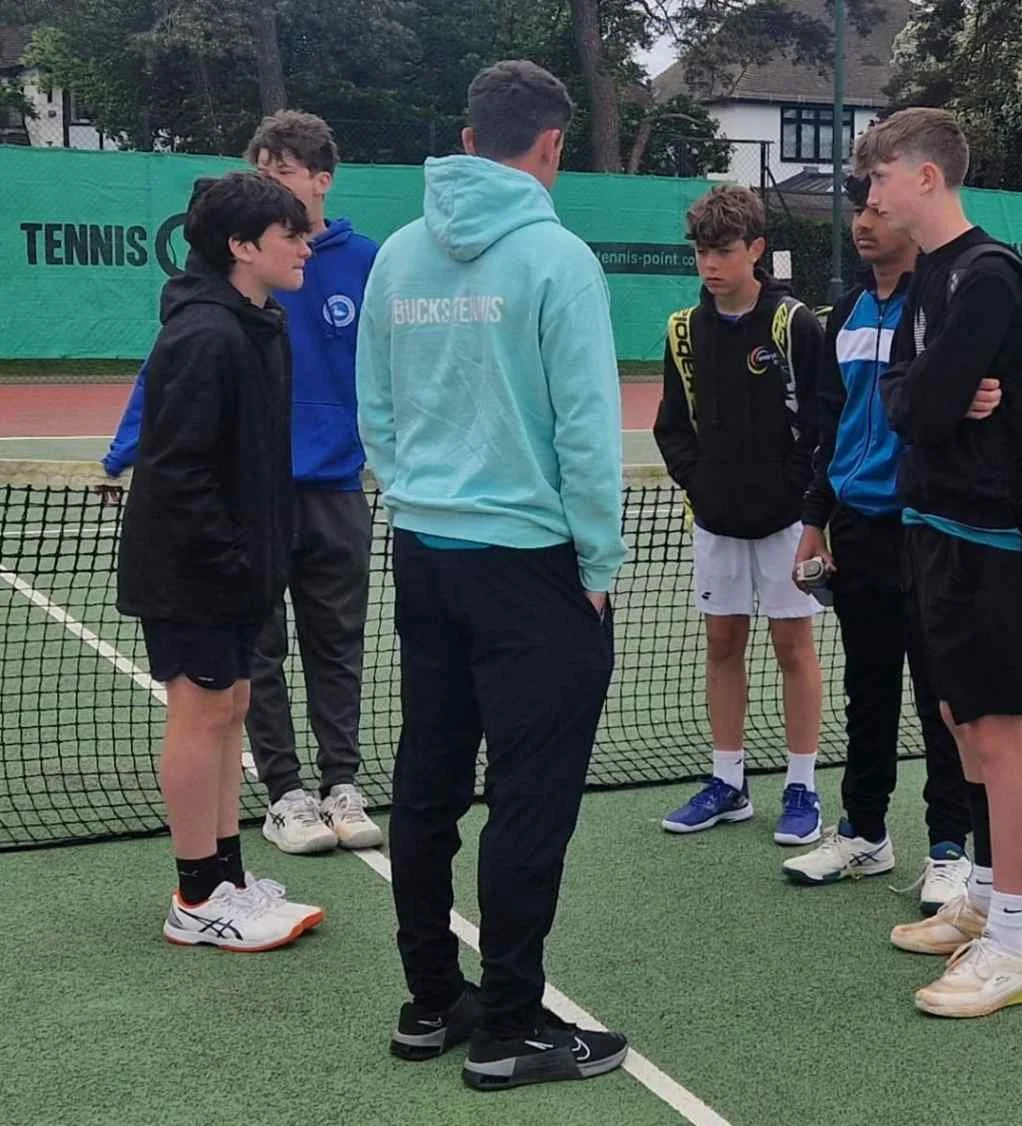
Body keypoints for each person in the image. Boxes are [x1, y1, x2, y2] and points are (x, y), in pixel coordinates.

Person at [357, 60, 629, 1090]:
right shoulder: (560, 260)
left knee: (427, 787)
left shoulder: (395, 255)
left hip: (423, 556)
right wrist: (596, 563)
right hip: (533, 571)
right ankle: (512, 1027)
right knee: (529, 803)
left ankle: (433, 1001)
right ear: (550, 144)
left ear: (469, 135)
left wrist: (419, 492)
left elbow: (373, 408)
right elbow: (588, 437)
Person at [103, 110, 383, 856]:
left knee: (336, 646)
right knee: (245, 666)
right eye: (259, 169)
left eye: (282, 169)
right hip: (248, 506)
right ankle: (284, 795)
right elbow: (174, 388)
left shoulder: (365, 263)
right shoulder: (218, 305)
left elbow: (396, 374)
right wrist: (121, 451)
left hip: (334, 491)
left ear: (321, 179)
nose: (268, 182)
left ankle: (341, 783)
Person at [860, 108, 1022, 1016]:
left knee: (995, 735)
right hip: (928, 525)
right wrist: (925, 390)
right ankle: (978, 894)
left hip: (983, 537)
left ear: (926, 177)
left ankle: (1014, 942)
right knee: (954, 717)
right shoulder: (929, 279)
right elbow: (903, 395)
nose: (872, 195)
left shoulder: (988, 279)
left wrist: (926, 393)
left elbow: (922, 404)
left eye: (881, 177)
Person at [116, 171, 324, 951]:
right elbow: (178, 470)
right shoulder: (204, 336)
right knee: (200, 716)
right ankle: (197, 896)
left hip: (238, 569)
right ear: (242, 247)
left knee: (230, 710)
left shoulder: (257, 324)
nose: (306, 245)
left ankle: (228, 877)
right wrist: (234, 559)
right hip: (192, 570)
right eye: (289, 235)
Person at [783, 172, 974, 916]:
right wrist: (813, 520)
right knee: (868, 691)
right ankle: (864, 832)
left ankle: (950, 848)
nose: (861, 222)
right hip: (857, 530)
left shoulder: (944, 307)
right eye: (857, 210)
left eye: (873, 208)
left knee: (940, 697)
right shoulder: (849, 311)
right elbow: (829, 427)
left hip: (928, 528)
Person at [653, 185, 827, 848]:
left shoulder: (794, 325)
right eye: (701, 251)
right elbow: (674, 428)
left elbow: (818, 423)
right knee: (722, 644)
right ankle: (729, 782)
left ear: (755, 249)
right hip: (715, 521)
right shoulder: (682, 331)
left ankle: (802, 785)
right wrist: (705, 487)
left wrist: (796, 498)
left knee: (792, 647)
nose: (710, 263)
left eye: (723, 250)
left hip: (788, 524)